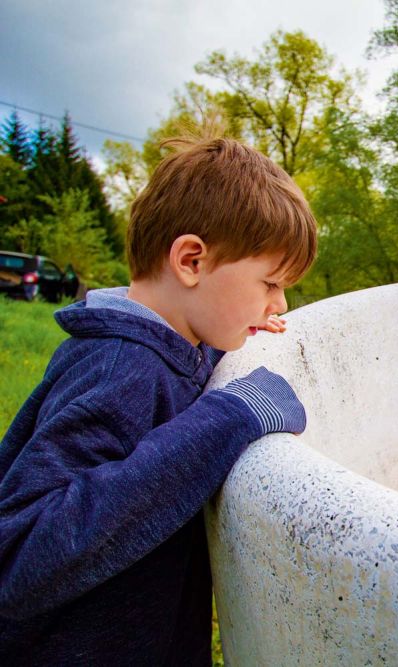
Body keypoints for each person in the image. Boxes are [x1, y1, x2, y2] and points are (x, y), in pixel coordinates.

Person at [0, 136, 318, 663]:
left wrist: (226, 340)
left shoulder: (165, 349)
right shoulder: (121, 369)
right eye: (269, 283)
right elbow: (18, 556)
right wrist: (229, 418)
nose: (279, 303)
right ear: (191, 261)